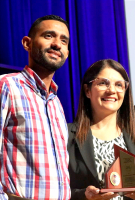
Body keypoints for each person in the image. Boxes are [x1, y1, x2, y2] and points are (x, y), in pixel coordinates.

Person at [0, 15, 70, 200]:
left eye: (64, 40)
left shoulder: (56, 102)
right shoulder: (7, 86)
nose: (57, 44)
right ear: (27, 43)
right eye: (49, 36)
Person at [68, 59, 135, 200]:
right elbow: (58, 190)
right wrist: (84, 196)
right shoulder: (67, 135)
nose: (111, 90)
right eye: (103, 83)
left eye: (119, 85)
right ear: (87, 90)